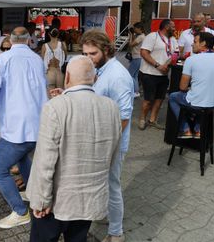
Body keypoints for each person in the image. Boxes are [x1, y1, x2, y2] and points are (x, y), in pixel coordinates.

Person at [27, 55, 121, 242]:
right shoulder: (111, 107)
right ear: (94, 79)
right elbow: (113, 154)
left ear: (67, 76)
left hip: (57, 201)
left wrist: (41, 200)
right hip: (89, 200)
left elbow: (45, 161)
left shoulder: (54, 107)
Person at [0, 27, 47, 229]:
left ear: (10, 41)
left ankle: (20, 211)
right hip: (38, 125)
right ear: (29, 40)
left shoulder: (2, 60)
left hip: (17, 128)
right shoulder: (37, 60)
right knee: (22, 157)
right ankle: (34, 194)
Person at [79, 29, 133, 242]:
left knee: (112, 186)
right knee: (104, 184)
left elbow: (125, 116)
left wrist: (108, 145)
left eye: (92, 54)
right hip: (100, 140)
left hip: (112, 143)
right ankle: (108, 215)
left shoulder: (118, 75)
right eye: (84, 54)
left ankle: (116, 233)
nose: (88, 59)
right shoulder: (101, 69)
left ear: (107, 50)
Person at [169, 32, 214, 138]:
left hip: (198, 103)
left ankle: (185, 129)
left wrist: (192, 88)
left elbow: (182, 87)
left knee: (173, 97)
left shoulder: (191, 60)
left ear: (203, 43)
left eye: (195, 42)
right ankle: (197, 129)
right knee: (200, 98)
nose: (192, 45)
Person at [139, 19, 178, 130]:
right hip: (149, 73)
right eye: (173, 27)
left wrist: (166, 65)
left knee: (159, 99)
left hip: (164, 75)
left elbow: (175, 54)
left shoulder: (173, 39)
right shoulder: (152, 36)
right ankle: (142, 119)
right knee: (148, 99)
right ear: (166, 27)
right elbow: (144, 53)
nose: (175, 29)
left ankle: (152, 120)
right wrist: (158, 66)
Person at [127, 22, 145, 98]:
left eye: (135, 28)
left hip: (137, 57)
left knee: (129, 74)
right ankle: (135, 91)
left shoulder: (141, 37)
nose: (134, 30)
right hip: (139, 58)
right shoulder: (142, 36)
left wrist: (131, 35)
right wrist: (133, 35)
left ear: (139, 28)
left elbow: (131, 44)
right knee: (135, 76)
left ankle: (136, 91)